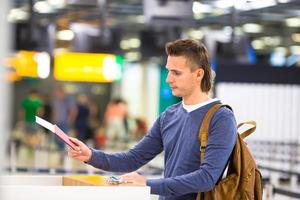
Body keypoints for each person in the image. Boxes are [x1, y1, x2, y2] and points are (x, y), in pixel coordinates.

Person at [68, 39, 237, 200]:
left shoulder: (221, 117)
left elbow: (206, 178)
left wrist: (146, 184)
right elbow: (133, 159)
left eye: (176, 73)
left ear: (198, 74)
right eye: (169, 71)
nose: (168, 79)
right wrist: (90, 155)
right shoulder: (169, 115)